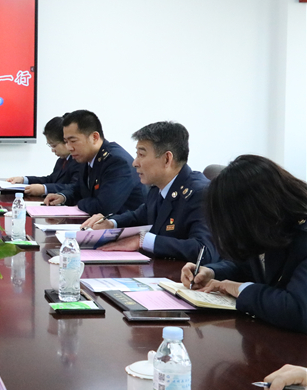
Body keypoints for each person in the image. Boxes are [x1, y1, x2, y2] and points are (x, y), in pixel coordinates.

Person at [182, 155, 307, 334]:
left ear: (254, 212)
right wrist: (212, 272)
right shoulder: (271, 226)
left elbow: (298, 310)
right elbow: (247, 265)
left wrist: (239, 289)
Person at [81, 122, 216, 263]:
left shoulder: (200, 193)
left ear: (167, 159)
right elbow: (139, 216)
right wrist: (111, 223)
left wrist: (143, 241)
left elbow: (204, 251)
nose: (135, 163)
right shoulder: (158, 188)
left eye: (141, 155)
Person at [44, 110, 145, 215]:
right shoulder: (87, 157)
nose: (69, 147)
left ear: (94, 137)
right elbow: (79, 189)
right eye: (66, 142)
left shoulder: (116, 161)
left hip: (125, 224)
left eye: (73, 141)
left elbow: (103, 207)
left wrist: (79, 203)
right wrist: (63, 197)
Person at [7, 115, 80, 197]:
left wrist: (44, 189)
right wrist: (24, 180)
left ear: (66, 141)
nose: (53, 150)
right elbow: (51, 179)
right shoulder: (62, 160)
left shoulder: (79, 161)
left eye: (54, 145)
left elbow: (75, 187)